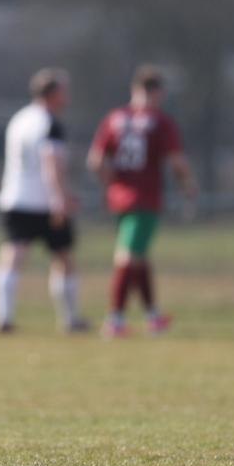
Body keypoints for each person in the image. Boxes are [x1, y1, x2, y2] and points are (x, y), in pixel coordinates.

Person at [87, 65, 197, 338]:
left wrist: (111, 183)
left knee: (139, 255)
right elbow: (176, 161)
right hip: (145, 197)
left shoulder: (114, 118)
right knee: (128, 257)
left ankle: (152, 315)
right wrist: (188, 185)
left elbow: (96, 161)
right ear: (158, 92)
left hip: (119, 197)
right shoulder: (160, 122)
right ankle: (115, 319)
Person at [0, 68, 87, 333]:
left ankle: (2, 317)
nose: (67, 96)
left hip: (15, 198)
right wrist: (61, 199)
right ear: (53, 93)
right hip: (43, 202)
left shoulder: (20, 118)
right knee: (63, 258)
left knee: (12, 256)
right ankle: (70, 319)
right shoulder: (50, 123)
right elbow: (50, 164)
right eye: (64, 91)